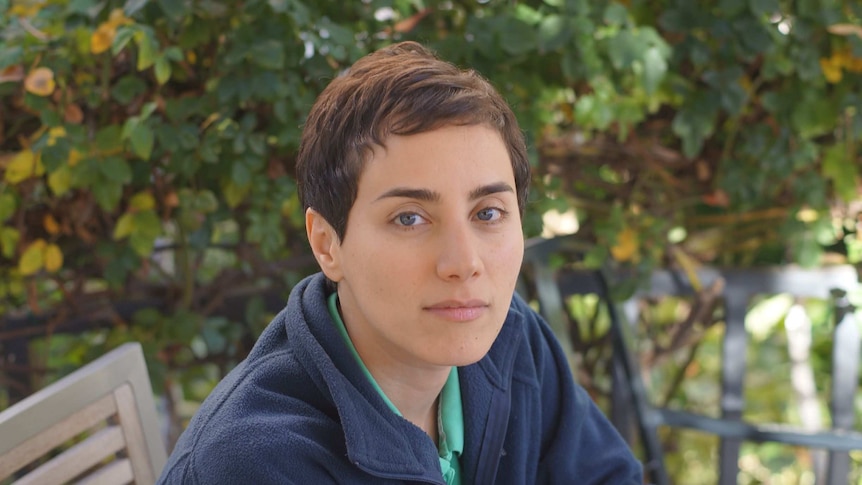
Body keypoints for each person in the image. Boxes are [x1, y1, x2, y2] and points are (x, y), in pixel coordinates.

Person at [157, 41, 643, 484]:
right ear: (327, 245)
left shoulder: (513, 344)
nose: (463, 263)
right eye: (409, 218)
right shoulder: (255, 464)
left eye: (488, 213)